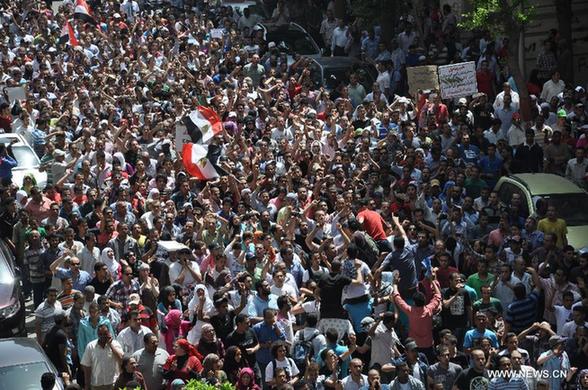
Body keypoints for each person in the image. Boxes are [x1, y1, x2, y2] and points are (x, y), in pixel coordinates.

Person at [80, 323, 124, 390]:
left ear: (109, 333)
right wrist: (87, 385)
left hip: (113, 383)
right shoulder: (91, 346)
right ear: (97, 334)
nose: (103, 336)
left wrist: (110, 345)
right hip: (97, 384)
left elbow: (121, 359)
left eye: (105, 334)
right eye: (100, 334)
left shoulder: (115, 344)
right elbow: (86, 366)